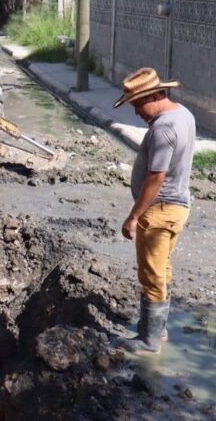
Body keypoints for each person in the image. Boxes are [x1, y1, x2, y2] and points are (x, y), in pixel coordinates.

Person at [113, 67, 195, 354]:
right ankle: (157, 332)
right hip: (177, 207)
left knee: (151, 275)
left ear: (154, 95)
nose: (136, 112)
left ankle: (148, 340)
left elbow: (156, 177)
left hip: (160, 211)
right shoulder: (183, 114)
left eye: (137, 104)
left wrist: (134, 216)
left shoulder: (163, 129)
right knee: (163, 270)